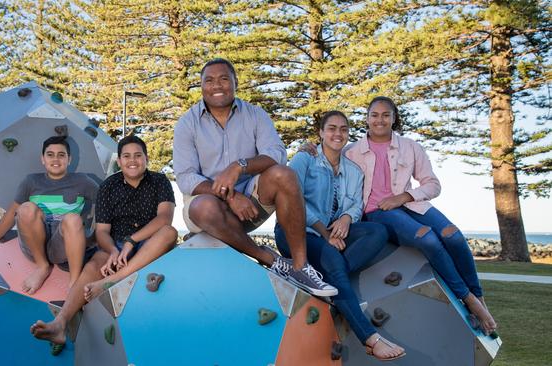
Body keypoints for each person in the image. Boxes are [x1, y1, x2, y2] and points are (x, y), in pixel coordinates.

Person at [173, 58, 336, 297]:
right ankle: (271, 260)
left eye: (223, 79)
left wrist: (240, 166)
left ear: (235, 83)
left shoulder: (255, 115)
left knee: (284, 174)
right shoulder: (187, 123)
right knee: (203, 206)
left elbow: (276, 153)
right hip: (211, 211)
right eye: (209, 80)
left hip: (252, 205)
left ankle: (301, 267)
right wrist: (230, 196)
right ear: (201, 87)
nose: (216, 85)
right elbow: (186, 177)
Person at [346, 96, 497, 335]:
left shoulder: (411, 147)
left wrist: (404, 196)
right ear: (366, 118)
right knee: (427, 238)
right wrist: (309, 148)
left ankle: (479, 296)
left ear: (394, 118)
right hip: (376, 212)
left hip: (411, 205)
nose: (380, 120)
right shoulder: (352, 151)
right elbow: (327, 158)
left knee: (454, 236)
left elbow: (432, 185)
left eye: (386, 115)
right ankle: (469, 300)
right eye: (374, 115)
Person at [276, 111, 405, 361]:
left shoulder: (353, 170)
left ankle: (326, 280)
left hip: (331, 233)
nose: (338, 134)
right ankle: (370, 338)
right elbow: (293, 200)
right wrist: (325, 234)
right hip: (297, 233)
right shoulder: (305, 159)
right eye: (332, 128)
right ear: (321, 133)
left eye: (343, 129)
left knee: (378, 231)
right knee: (333, 261)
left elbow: (356, 204)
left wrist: (346, 218)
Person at [30, 135, 177, 348]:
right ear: (119, 160)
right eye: (126, 156)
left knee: (169, 232)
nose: (132, 160)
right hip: (115, 245)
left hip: (149, 242)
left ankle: (112, 280)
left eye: (138, 155)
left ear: (146, 158)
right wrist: (114, 250)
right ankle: (60, 323)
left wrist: (131, 241)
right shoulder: (109, 186)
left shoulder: (159, 181)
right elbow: (102, 231)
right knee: (95, 262)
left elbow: (165, 217)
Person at [0, 136, 98, 294]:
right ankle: (42, 267)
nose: (56, 159)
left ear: (69, 159)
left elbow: (107, 204)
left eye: (61, 155)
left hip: (62, 246)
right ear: (43, 159)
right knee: (26, 208)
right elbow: (11, 213)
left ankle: (74, 283)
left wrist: (99, 237)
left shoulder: (82, 181)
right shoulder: (31, 181)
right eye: (50, 154)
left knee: (73, 218)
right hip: (34, 245)